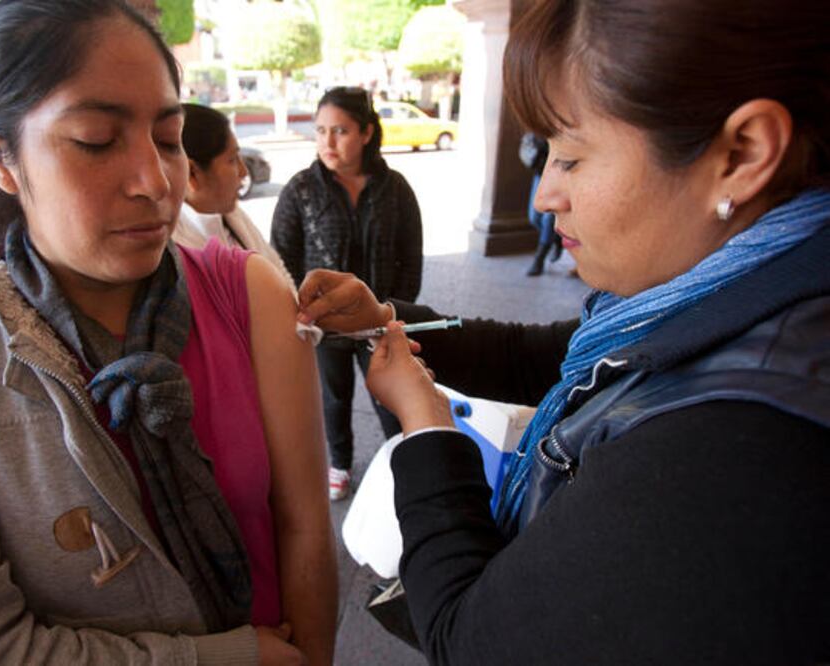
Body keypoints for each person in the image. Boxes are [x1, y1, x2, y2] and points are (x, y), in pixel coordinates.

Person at [295, 0, 830, 662]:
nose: (545, 194)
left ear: (742, 152)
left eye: (571, 158)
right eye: (542, 152)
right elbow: (545, 356)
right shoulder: (718, 297)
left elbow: (470, 640)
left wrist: (425, 427)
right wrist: (386, 319)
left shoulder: (735, 446)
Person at [0, 1, 336, 663]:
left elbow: (304, 530)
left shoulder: (247, 295)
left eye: (168, 139)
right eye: (94, 141)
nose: (155, 182)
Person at [271, 86, 423, 501]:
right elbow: (281, 262)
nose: (328, 142)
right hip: (326, 326)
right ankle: (340, 464)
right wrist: (306, 313)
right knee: (334, 400)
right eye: (320, 130)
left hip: (380, 319)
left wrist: (395, 310)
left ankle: (402, 464)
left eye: (340, 130)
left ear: (367, 133)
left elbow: (411, 257)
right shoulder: (301, 190)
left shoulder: (395, 188)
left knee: (390, 398)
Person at [173, 103, 291, 286]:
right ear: (192, 173)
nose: (244, 172)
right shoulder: (172, 253)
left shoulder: (232, 214)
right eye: (233, 160)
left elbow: (279, 274)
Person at [518, 132, 562, 276]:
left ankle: (539, 258)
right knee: (534, 217)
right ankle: (556, 238)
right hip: (540, 170)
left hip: (559, 172)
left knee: (548, 218)